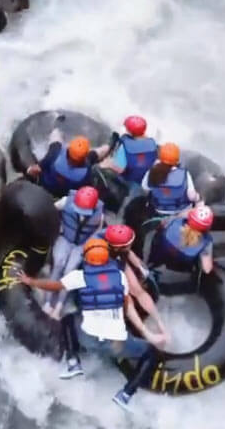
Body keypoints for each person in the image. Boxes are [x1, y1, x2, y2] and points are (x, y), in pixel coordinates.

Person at [19, 237, 168, 411]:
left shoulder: (79, 276)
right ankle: (126, 394)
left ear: (87, 258)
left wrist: (30, 281)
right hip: (117, 345)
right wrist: (145, 330)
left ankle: (73, 362)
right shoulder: (120, 276)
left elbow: (54, 286)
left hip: (87, 338)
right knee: (151, 354)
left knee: (68, 319)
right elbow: (126, 305)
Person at [43, 186, 106, 320]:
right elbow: (50, 211)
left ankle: (58, 307)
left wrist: (88, 245)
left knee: (69, 271)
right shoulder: (66, 202)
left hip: (80, 245)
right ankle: (47, 303)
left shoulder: (99, 214)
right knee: (59, 264)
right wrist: (57, 227)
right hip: (64, 237)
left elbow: (98, 230)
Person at [26, 129, 109, 197]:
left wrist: (30, 170)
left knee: (56, 137)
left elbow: (34, 170)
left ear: (69, 149)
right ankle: (109, 146)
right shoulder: (86, 173)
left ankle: (56, 127)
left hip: (47, 186)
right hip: (65, 195)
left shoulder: (55, 154)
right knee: (97, 153)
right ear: (85, 156)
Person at [147, 205, 215, 276]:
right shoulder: (207, 242)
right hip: (181, 271)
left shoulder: (173, 221)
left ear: (189, 216)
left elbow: (161, 224)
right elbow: (207, 269)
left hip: (159, 258)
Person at [142, 142, 203, 221]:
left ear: (160, 158)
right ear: (177, 160)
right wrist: (198, 198)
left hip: (158, 210)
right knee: (199, 202)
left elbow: (145, 189)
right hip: (181, 212)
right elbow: (191, 196)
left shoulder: (151, 172)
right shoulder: (184, 173)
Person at [101, 115, 159, 185]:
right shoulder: (152, 145)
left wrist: (106, 165)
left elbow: (119, 169)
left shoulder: (125, 146)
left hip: (129, 182)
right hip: (147, 180)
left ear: (130, 131)